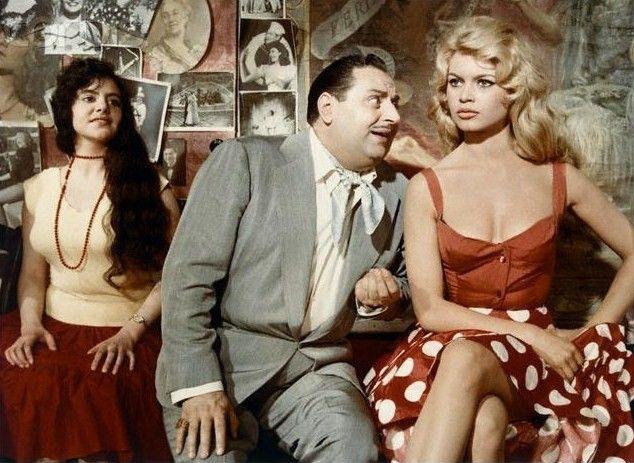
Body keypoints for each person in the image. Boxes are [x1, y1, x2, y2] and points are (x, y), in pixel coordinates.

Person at [365, 16, 634, 463]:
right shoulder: (428, 186)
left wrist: (594, 329)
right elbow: (430, 309)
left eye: (483, 82)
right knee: (485, 416)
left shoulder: (558, 178)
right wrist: (529, 333)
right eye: (455, 82)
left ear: (513, 92)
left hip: (537, 360)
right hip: (454, 341)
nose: (464, 96)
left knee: (468, 367)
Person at [157, 54, 409, 462]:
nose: (393, 116)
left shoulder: (398, 192)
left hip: (317, 369)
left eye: (395, 103)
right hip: (223, 365)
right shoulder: (245, 160)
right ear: (328, 107)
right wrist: (200, 386)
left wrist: (386, 294)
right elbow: (187, 278)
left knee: (352, 445)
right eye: (376, 100)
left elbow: (410, 286)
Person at [0, 58, 180, 462]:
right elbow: (33, 274)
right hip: (51, 327)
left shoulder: (151, 186)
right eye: (90, 98)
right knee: (27, 382)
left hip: (126, 333)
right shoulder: (39, 187)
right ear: (67, 110)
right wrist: (29, 326)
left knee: (98, 393)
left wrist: (130, 333)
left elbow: (177, 276)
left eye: (113, 101)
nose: (103, 107)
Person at [146, 0, 206, 74]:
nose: (171, 19)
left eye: (175, 13)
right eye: (165, 16)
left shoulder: (195, 49)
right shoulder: (157, 53)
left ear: (186, 17)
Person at [240, 21, 294, 89]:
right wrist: (241, 61)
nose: (267, 36)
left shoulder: (289, 68)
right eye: (267, 33)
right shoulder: (264, 69)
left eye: (270, 34)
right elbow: (245, 80)